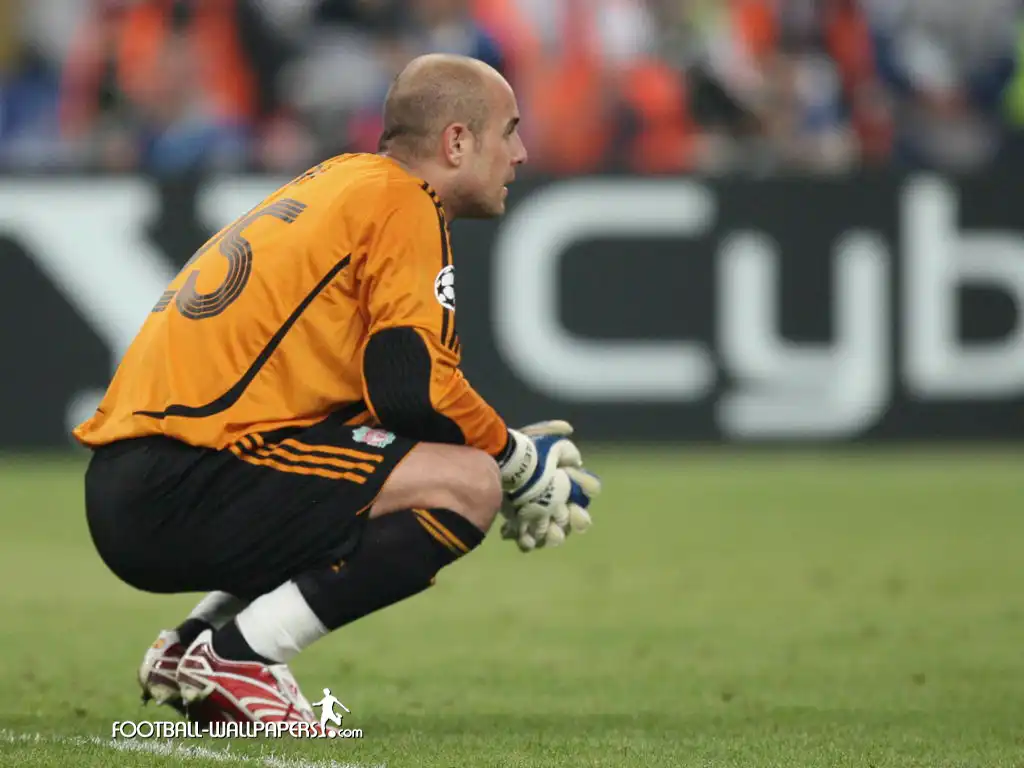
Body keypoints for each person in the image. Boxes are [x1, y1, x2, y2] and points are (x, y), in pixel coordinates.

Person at [74, 53, 601, 726]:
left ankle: (196, 643)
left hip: (139, 478)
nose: (521, 154)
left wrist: (499, 451)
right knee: (468, 485)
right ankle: (242, 659)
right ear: (456, 142)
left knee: (384, 459)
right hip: (184, 478)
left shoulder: (339, 182)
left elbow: (385, 406)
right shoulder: (404, 200)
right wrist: (513, 461)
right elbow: (413, 387)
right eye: (510, 130)